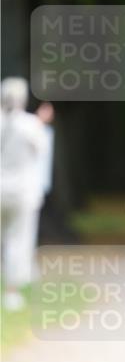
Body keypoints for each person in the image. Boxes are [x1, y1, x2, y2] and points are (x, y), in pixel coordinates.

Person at [0, 77, 53, 311]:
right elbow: (41, 151)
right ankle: (12, 291)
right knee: (19, 239)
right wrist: (43, 122)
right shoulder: (31, 124)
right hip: (22, 191)